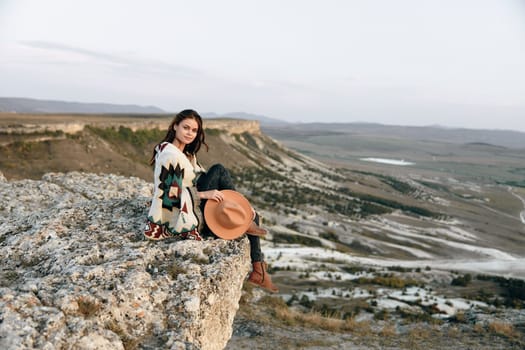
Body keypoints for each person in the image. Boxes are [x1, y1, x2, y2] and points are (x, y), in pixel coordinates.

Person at [144, 109, 278, 293]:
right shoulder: (171, 156)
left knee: (243, 210)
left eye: (194, 130)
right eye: (186, 128)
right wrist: (204, 195)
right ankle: (258, 267)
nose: (190, 133)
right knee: (220, 172)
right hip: (186, 213)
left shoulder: (184, 154)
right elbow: (170, 196)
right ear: (175, 126)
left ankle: (258, 267)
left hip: (192, 204)